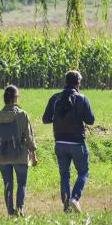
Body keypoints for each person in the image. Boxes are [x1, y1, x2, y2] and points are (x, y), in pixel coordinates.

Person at [42, 70, 95, 213]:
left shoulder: (55, 98)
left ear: (65, 82)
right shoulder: (82, 98)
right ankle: (75, 198)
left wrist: (59, 120)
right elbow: (90, 120)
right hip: (77, 142)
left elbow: (45, 119)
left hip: (59, 142)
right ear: (78, 83)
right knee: (83, 172)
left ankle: (66, 208)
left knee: (64, 175)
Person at [0, 85, 38, 217]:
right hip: (20, 155)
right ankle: (20, 209)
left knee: (7, 184)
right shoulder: (22, 115)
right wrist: (33, 155)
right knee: (22, 184)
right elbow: (29, 136)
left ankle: (11, 212)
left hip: (3, 156)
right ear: (15, 98)